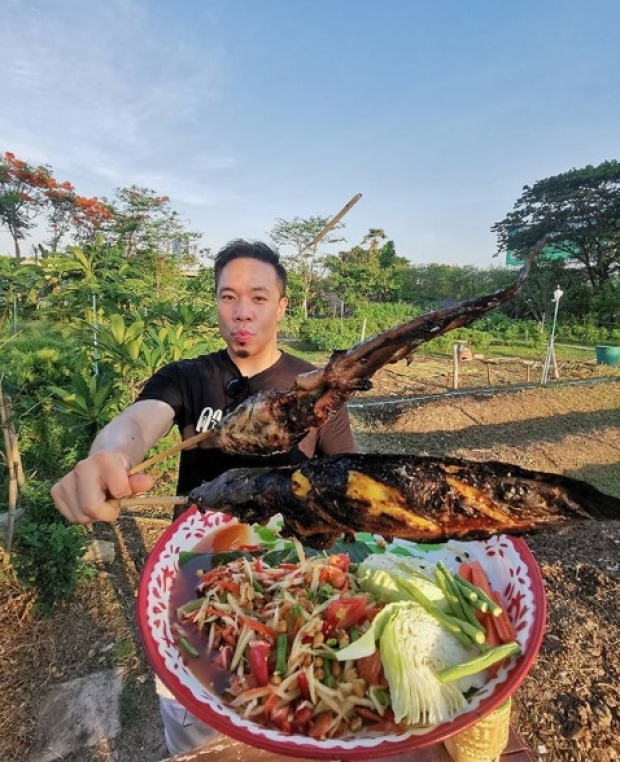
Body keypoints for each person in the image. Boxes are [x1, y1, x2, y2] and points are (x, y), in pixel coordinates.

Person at [51, 239, 356, 755]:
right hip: (199, 577)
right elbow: (137, 422)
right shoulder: (189, 377)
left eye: (258, 298)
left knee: (289, 719)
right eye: (227, 296)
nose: (242, 312)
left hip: (291, 580)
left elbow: (346, 479)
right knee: (191, 717)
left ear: (282, 306)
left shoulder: (316, 388)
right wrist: (109, 456)